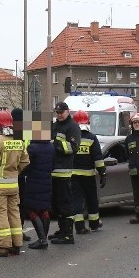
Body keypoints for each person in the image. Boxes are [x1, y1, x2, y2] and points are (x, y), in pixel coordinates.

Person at [0, 110, 30, 257]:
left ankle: (3, 247)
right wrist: (14, 173)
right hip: (14, 185)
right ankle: (16, 245)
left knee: (0, 214)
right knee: (14, 214)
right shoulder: (19, 140)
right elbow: (25, 163)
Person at [17, 113, 56, 250]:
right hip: (47, 181)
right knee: (44, 209)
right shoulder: (51, 147)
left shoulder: (32, 148)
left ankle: (42, 239)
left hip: (34, 182)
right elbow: (53, 165)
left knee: (31, 209)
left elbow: (25, 165)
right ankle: (43, 237)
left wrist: (20, 172)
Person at [49, 102, 81, 245]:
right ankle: (62, 230)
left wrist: (55, 143)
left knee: (65, 203)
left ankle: (68, 234)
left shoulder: (73, 127)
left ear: (68, 112)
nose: (59, 115)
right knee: (56, 204)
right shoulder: (55, 125)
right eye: (57, 112)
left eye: (61, 112)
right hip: (53, 170)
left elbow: (73, 148)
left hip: (64, 172)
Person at [70, 110, 106, 235]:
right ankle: (94, 224)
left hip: (74, 175)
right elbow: (97, 157)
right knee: (92, 200)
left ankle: (79, 226)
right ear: (88, 122)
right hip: (89, 175)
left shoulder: (71, 138)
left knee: (77, 201)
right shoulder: (91, 137)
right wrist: (102, 173)